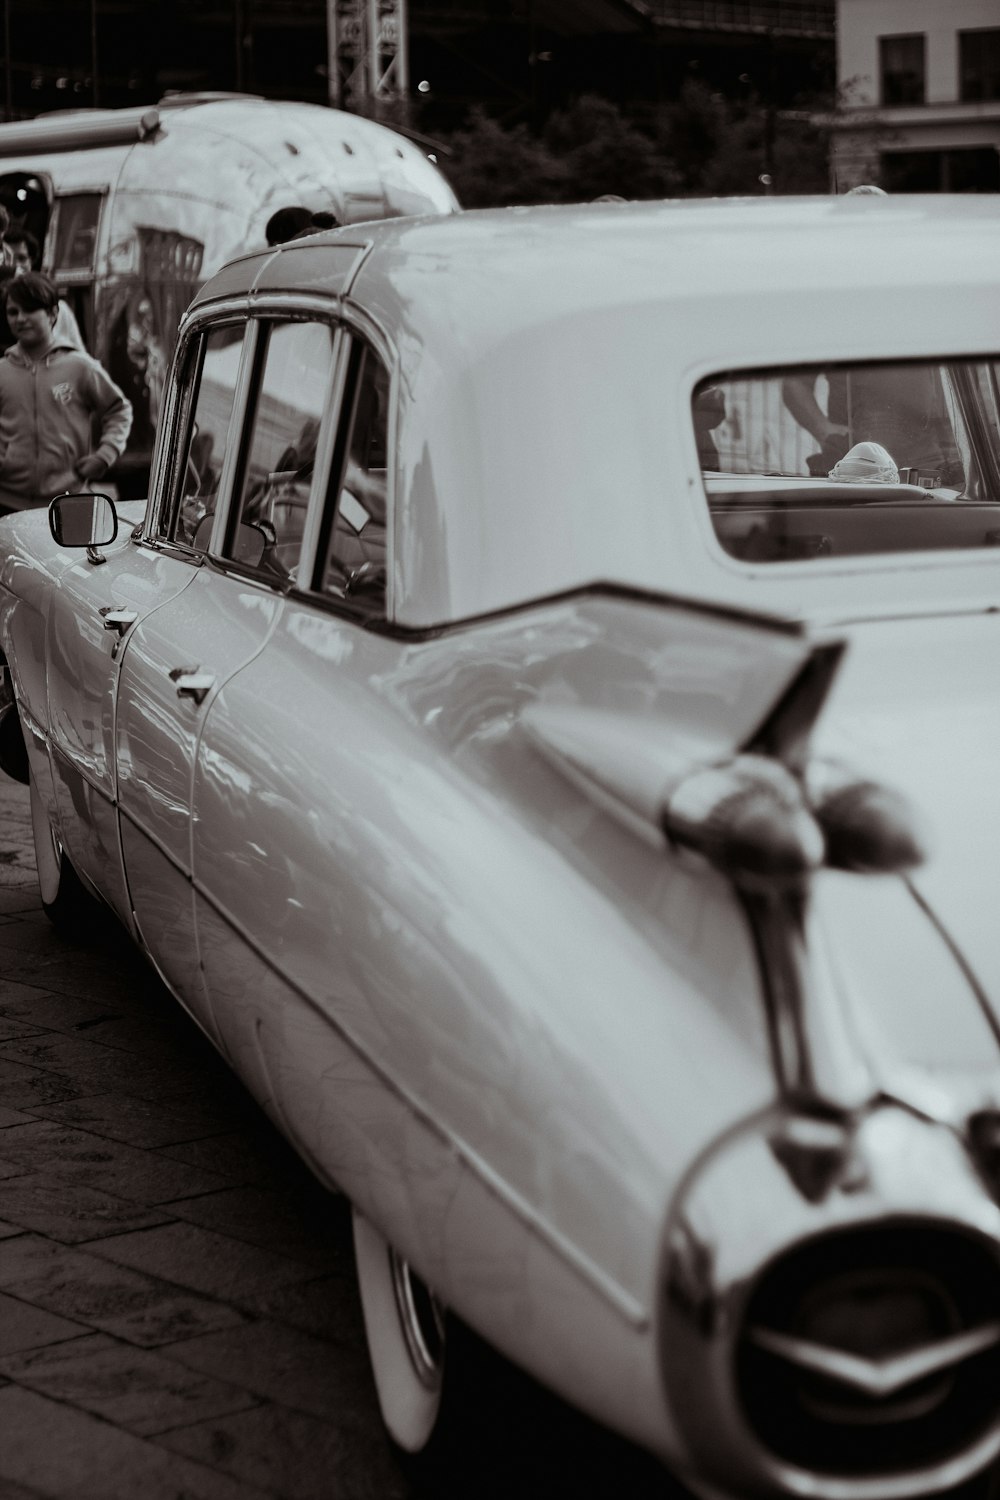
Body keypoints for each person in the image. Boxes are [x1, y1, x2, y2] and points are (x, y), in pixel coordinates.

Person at [0, 272, 131, 513]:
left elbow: (119, 410)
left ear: (52, 314)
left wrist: (105, 455)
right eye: (13, 312)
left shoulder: (80, 367)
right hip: (6, 504)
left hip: (66, 502)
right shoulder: (2, 371)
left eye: (29, 310)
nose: (20, 319)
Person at [3, 224, 86, 351]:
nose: (15, 266)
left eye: (21, 258)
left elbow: (78, 354)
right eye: (8, 259)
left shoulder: (60, 309)